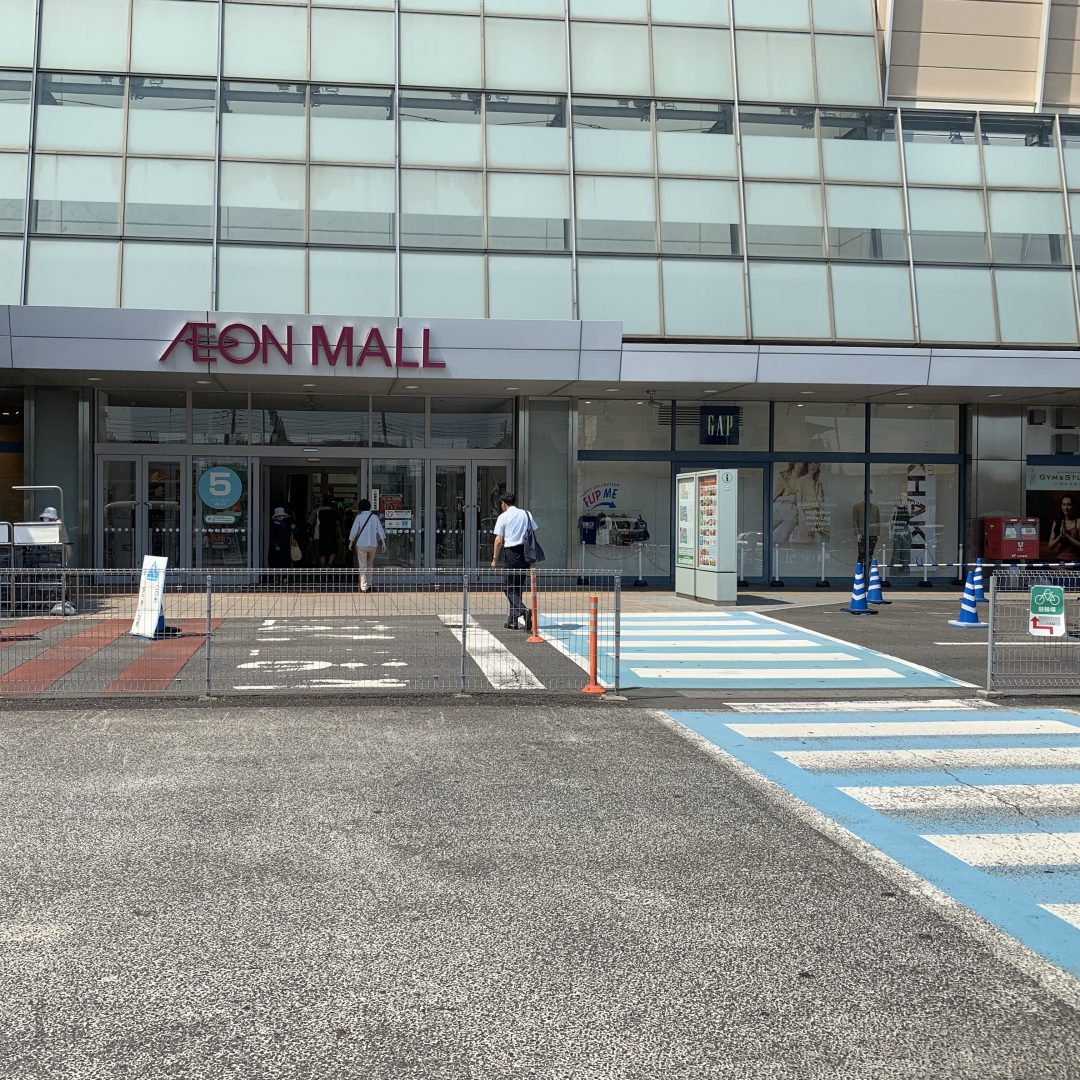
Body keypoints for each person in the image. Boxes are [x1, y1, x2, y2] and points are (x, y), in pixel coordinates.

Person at [491, 492, 538, 631]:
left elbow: (498, 540)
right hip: (525, 553)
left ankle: (523, 611)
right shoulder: (526, 514)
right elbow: (534, 532)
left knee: (508, 587)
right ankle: (512, 621)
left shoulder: (503, 517)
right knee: (517, 587)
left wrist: (494, 559)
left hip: (512, 554)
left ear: (503, 503)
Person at [348, 498, 387, 592]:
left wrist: (351, 542)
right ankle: (369, 583)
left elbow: (354, 530)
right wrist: (383, 543)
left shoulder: (359, 517)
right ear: (369, 507)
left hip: (361, 544)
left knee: (362, 565)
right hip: (373, 544)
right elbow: (380, 530)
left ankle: (363, 586)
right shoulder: (375, 517)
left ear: (360, 507)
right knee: (370, 564)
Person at [309, 491, 342, 567]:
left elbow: (314, 524)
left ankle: (322, 568)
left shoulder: (318, 512)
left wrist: (311, 533)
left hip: (321, 535)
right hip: (332, 535)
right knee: (334, 550)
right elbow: (338, 525)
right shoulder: (334, 512)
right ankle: (328, 564)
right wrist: (340, 536)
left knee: (322, 553)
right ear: (330, 504)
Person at [852, 490, 880, 566]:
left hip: (873, 535)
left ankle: (868, 570)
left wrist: (877, 533)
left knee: (870, 554)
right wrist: (857, 533)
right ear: (864, 495)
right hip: (862, 534)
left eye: (870, 495)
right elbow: (855, 521)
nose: (869, 496)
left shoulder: (875, 508)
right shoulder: (857, 507)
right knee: (861, 554)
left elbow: (878, 521)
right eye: (867, 494)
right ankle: (860, 571)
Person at [1048, 493, 1080, 560]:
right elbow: (1050, 547)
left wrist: (1067, 536)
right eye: (1064, 504)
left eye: (1069, 505)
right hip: (1060, 559)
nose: (1065, 507)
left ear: (1073, 506)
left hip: (1075, 560)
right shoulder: (1057, 522)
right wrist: (1060, 537)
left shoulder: (1078, 522)